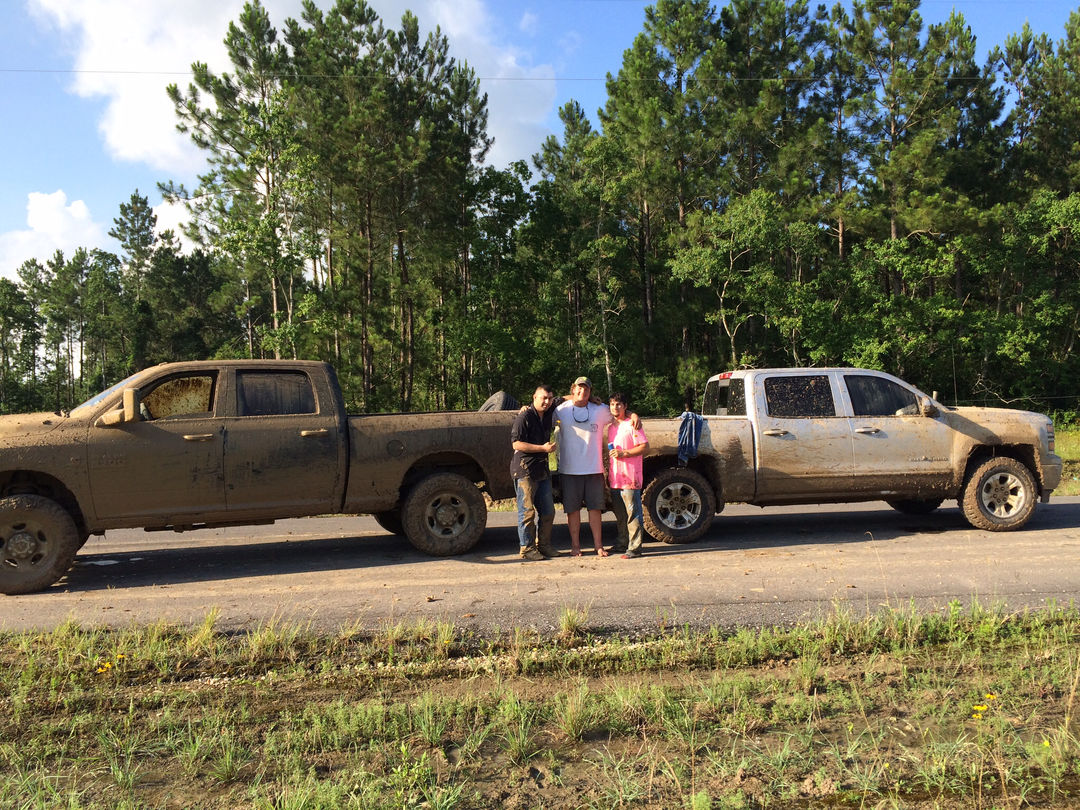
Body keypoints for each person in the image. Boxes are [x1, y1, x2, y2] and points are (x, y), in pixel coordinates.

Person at [554, 376, 639, 557]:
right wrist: (525, 408)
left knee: (595, 510)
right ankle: (575, 546)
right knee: (573, 511)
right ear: (573, 389)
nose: (582, 391)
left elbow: (619, 411)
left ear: (590, 392)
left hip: (594, 469)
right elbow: (542, 409)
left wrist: (633, 415)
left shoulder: (600, 410)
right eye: (579, 388)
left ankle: (598, 546)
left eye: (586, 389)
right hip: (569, 470)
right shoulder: (561, 410)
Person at [510, 385, 560, 561]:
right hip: (525, 470)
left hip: (542, 470)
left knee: (548, 511)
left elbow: (570, 397)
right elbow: (516, 444)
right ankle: (527, 548)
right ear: (534, 397)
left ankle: (544, 545)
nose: (547, 401)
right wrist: (542, 449)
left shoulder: (548, 411)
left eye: (550, 398)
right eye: (543, 398)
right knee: (527, 512)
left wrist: (592, 399)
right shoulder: (525, 416)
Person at [607, 392, 649, 558]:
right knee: (621, 515)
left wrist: (624, 453)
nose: (615, 407)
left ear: (625, 406)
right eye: (612, 404)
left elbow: (644, 446)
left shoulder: (632, 424)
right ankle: (622, 542)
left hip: (630, 477)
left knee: (633, 513)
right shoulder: (611, 427)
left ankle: (635, 548)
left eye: (618, 404)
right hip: (616, 478)